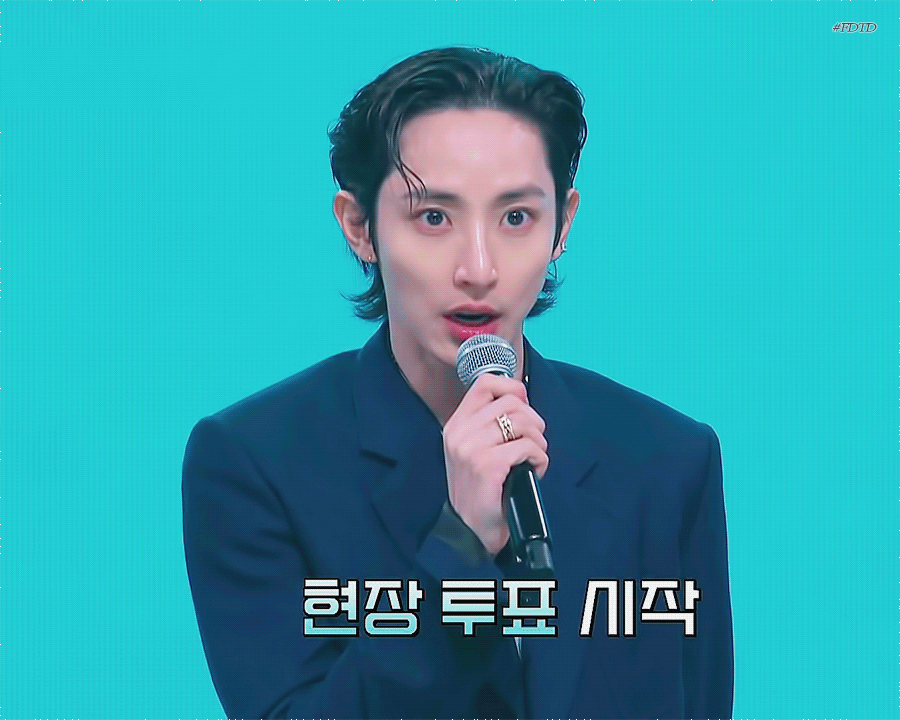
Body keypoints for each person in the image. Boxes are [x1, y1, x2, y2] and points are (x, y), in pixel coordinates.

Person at [183, 47, 733, 719]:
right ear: (359, 227)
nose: (478, 268)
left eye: (516, 217)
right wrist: (461, 545)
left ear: (562, 225)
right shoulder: (254, 462)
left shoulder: (668, 460)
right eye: (434, 217)